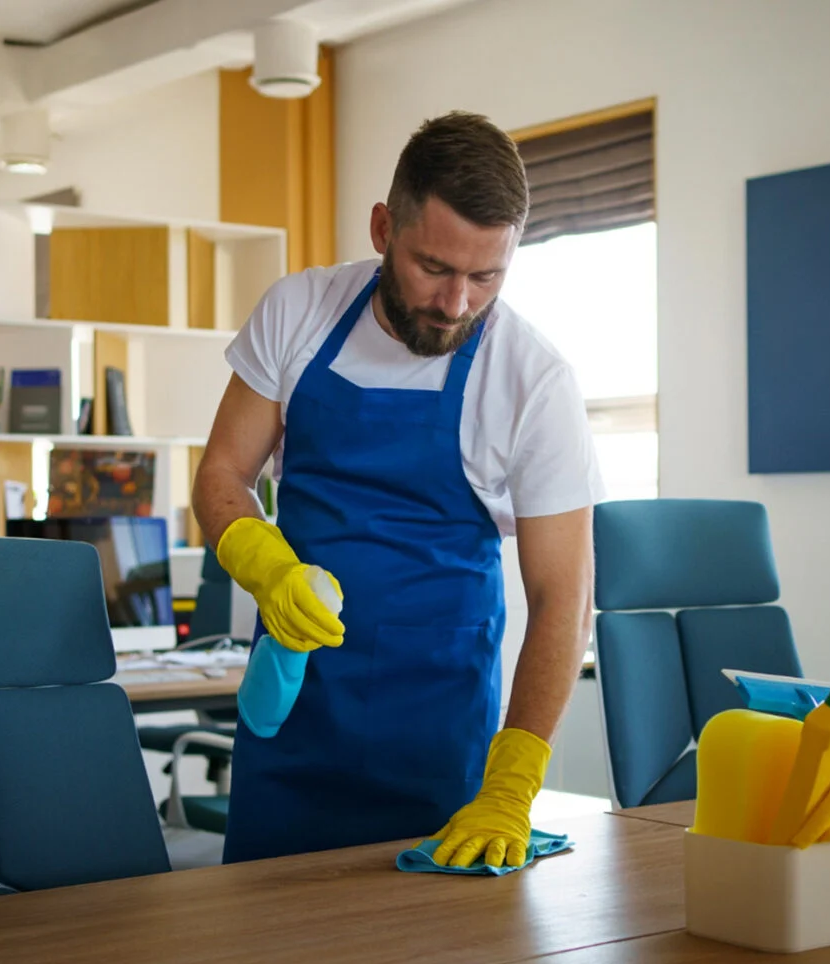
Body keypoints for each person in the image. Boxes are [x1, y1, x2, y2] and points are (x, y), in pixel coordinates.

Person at [192, 111, 605, 868]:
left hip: (439, 744)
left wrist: (513, 784)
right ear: (384, 227)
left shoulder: (532, 380)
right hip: (293, 718)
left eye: (487, 276)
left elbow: (564, 600)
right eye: (435, 268)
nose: (456, 303)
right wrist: (265, 564)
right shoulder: (299, 312)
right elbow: (222, 474)